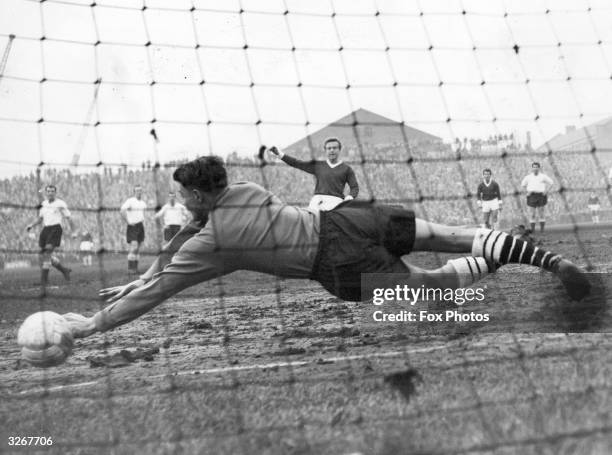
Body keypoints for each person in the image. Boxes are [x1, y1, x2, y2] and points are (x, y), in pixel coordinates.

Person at [62, 155, 590, 339]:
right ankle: (546, 260)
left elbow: (160, 286)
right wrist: (148, 272)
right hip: (346, 220)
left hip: (334, 268)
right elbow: (176, 246)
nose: (181, 203)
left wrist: (91, 325)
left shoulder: (211, 243)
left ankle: (487, 268)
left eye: (184, 196)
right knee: (445, 232)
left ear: (198, 194)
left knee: (433, 291)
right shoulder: (244, 188)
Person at [269, 138, 359, 211]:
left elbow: (354, 187)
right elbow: (297, 163)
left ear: (339, 150)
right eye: (329, 148)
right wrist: (280, 154)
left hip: (336, 202)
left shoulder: (347, 169)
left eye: (334, 148)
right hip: (317, 202)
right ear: (325, 150)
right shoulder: (318, 165)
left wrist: (348, 199)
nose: (332, 150)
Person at [25, 185, 76, 296]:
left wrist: (74, 231)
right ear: (46, 193)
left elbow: (69, 218)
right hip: (45, 230)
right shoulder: (43, 204)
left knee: (47, 253)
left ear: (55, 192)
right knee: (44, 256)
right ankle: (64, 270)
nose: (50, 193)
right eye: (48, 191)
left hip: (56, 229)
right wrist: (31, 225)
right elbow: (40, 219)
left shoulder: (60, 204)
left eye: (52, 191)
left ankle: (44, 281)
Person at [120, 185, 147, 273]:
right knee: (134, 246)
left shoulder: (143, 203)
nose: (139, 192)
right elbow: (122, 210)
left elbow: (142, 215)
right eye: (137, 191)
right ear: (134, 192)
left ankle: (135, 268)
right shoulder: (130, 201)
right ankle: (130, 268)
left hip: (140, 226)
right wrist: (128, 221)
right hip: (133, 226)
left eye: (140, 190)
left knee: (138, 248)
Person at [521, 162, 554, 233]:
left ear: (539, 168)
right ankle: (533, 230)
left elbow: (551, 183)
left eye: (536, 167)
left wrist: (546, 191)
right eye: (534, 167)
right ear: (532, 168)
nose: (535, 168)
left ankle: (542, 230)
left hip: (541, 196)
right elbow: (523, 185)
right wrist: (527, 192)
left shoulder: (543, 176)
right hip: (532, 196)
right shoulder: (528, 177)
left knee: (541, 213)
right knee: (532, 214)